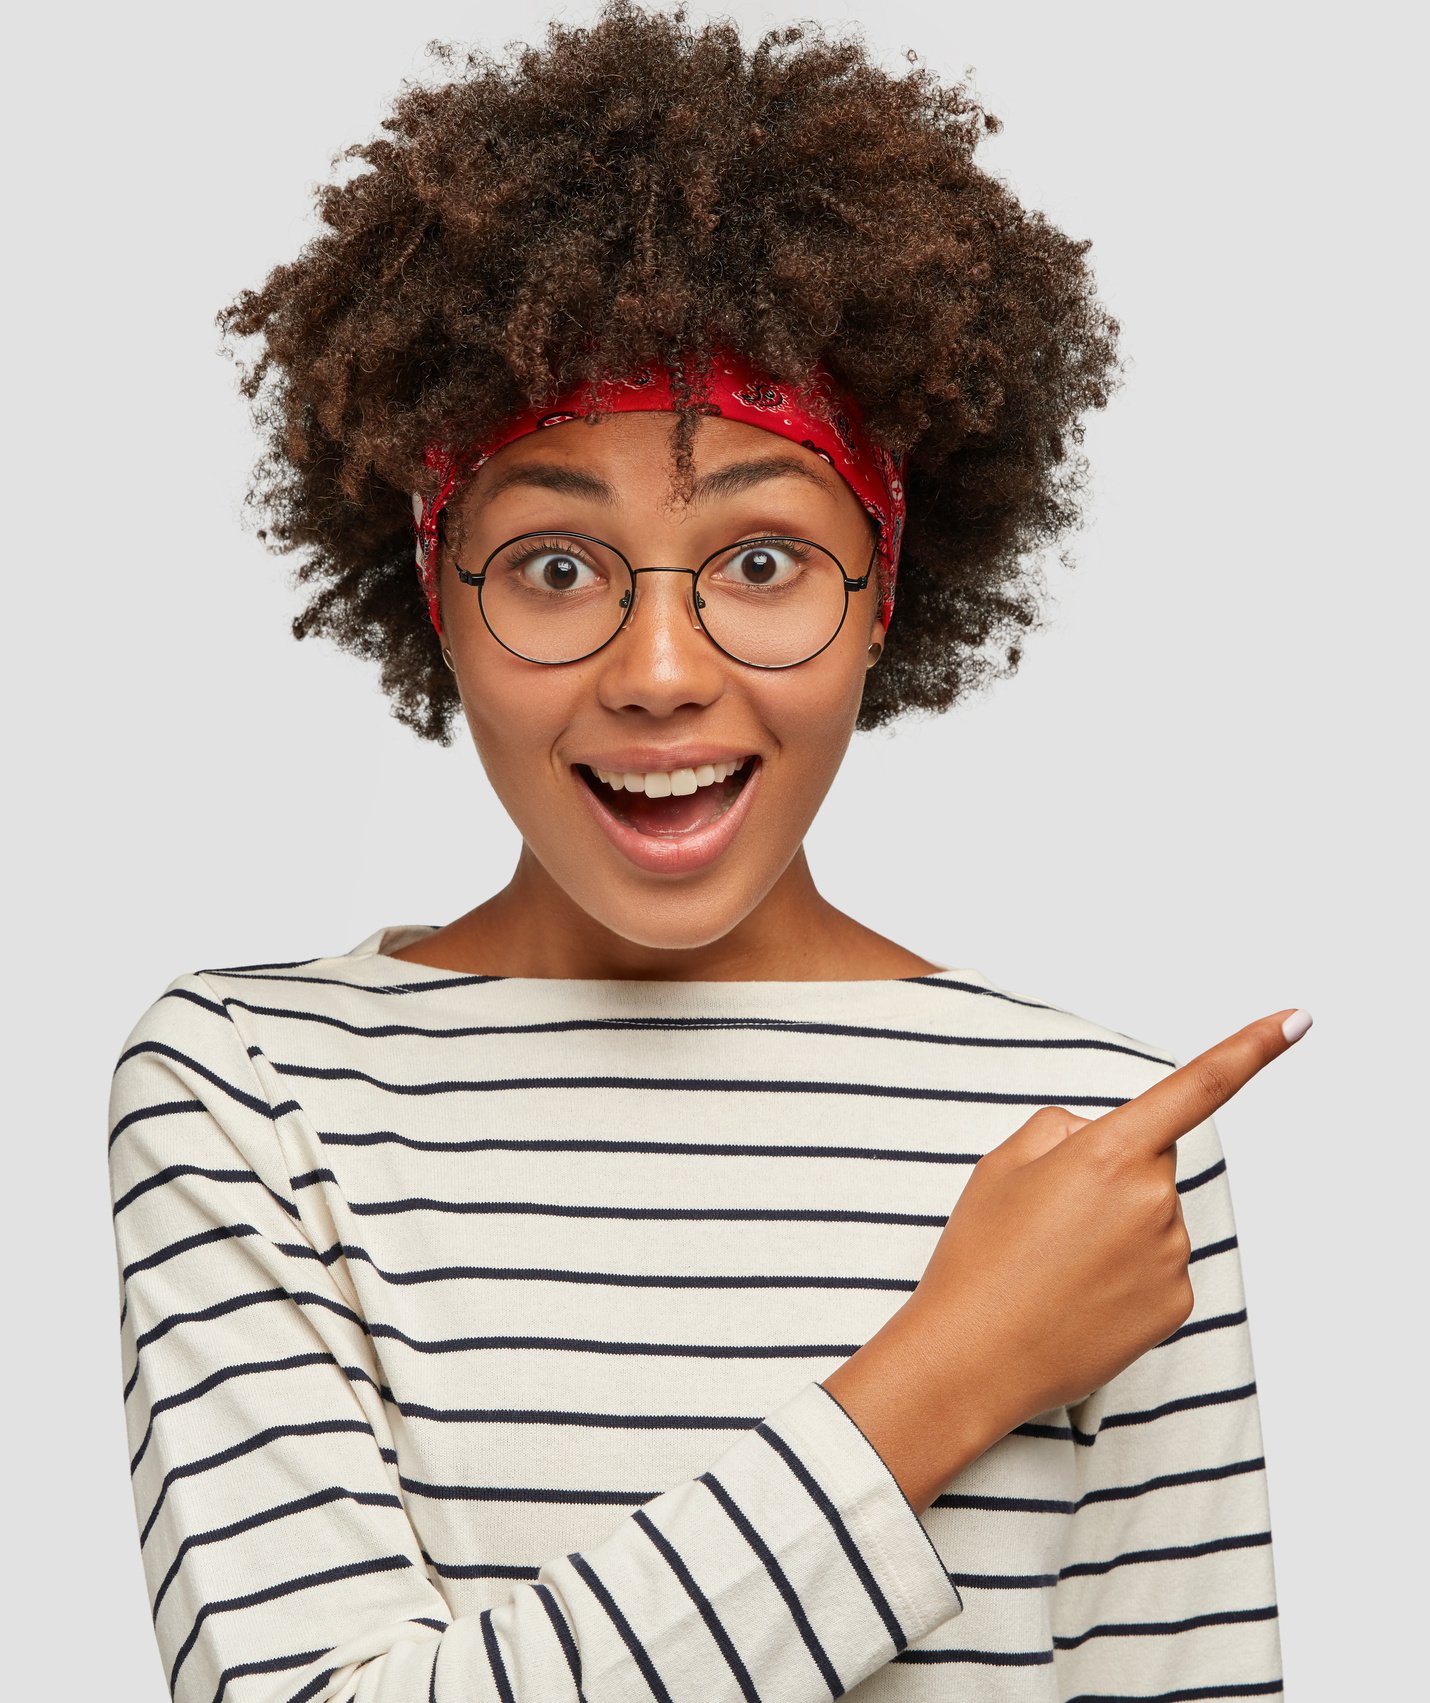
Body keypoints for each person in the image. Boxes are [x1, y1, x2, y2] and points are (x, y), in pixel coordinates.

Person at [105, 7, 1305, 1700]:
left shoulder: (1097, 1153)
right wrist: (949, 1374)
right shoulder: (259, 1089)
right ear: (432, 600)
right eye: (553, 567)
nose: (660, 673)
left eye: (758, 562)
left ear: (884, 591)